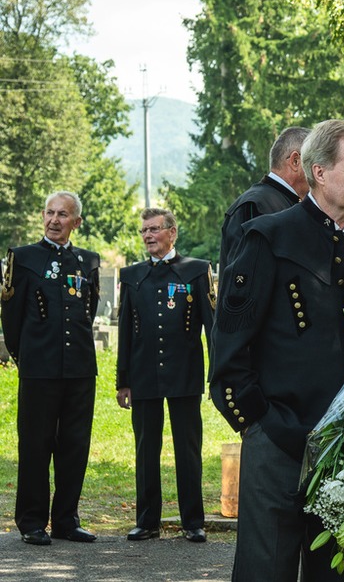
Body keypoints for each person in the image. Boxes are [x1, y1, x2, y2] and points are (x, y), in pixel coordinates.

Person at [210, 119, 344, 581]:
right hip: (279, 437)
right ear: (318, 171)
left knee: (337, 573)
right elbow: (230, 346)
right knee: (265, 570)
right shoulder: (268, 237)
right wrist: (259, 421)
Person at [1, 192, 101, 546]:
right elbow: (10, 320)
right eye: (49, 213)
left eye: (63, 215)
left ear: (76, 222)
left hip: (79, 370)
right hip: (39, 370)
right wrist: (26, 357)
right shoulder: (24, 259)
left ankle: (65, 520)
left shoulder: (87, 261)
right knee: (35, 445)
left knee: (75, 446)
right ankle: (31, 521)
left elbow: (87, 313)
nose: (54, 220)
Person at [116, 208, 216, 543]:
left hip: (184, 373)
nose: (147, 236)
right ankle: (147, 521)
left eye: (154, 229)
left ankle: (193, 521)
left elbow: (211, 329)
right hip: (144, 375)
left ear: (172, 232)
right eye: (143, 230)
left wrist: (219, 373)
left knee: (188, 449)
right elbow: (126, 333)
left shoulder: (196, 271)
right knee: (146, 450)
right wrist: (122, 381)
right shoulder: (132, 276)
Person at [218, 126, 310, 276]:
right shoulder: (255, 206)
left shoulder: (286, 202)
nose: (320, 170)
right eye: (315, 161)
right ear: (295, 161)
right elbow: (243, 284)